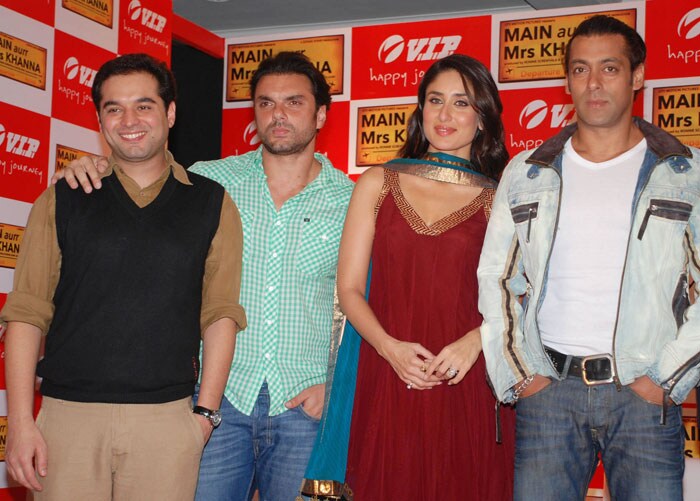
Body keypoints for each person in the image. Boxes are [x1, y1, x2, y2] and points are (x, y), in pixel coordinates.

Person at [53, 51, 354, 500]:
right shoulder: (206, 181)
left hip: (306, 409)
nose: (278, 115)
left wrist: (335, 390)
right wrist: (93, 166)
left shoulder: (353, 199)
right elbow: (139, 171)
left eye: (294, 102)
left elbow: (366, 301)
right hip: (215, 403)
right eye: (266, 103)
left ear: (321, 113)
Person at [0, 53, 246, 500]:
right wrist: (19, 423)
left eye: (144, 105)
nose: (129, 119)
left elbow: (220, 313)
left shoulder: (211, 202)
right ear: (99, 119)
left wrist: (203, 416)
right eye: (114, 108)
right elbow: (26, 313)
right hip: (66, 421)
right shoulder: (64, 197)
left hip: (167, 424)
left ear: (169, 113)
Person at [478, 15, 700, 501]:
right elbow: (497, 279)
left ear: (637, 77)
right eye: (580, 70)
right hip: (549, 390)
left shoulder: (684, 172)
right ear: (567, 81)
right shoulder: (527, 172)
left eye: (610, 68)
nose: (593, 83)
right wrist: (521, 376)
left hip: (643, 393)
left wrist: (667, 378)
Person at [302, 54, 515, 500]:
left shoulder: (503, 199)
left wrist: (476, 341)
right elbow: (349, 288)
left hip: (466, 378)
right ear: (421, 111)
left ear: (482, 119)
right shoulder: (379, 181)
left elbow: (521, 295)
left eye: (461, 103)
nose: (445, 114)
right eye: (435, 100)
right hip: (388, 374)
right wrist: (389, 349)